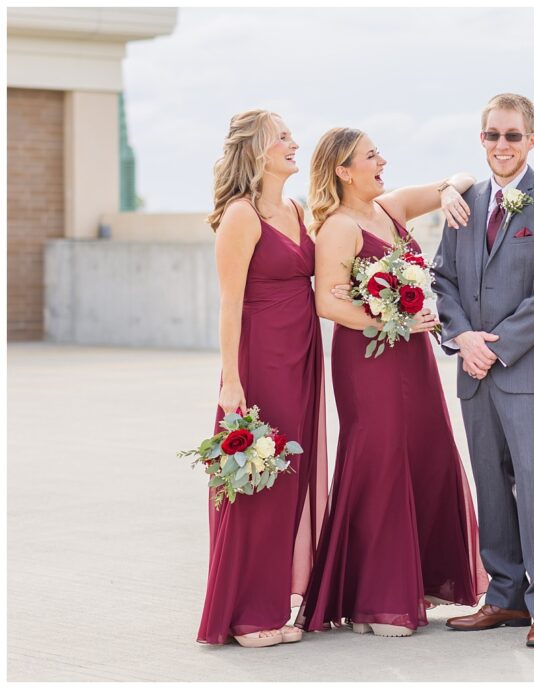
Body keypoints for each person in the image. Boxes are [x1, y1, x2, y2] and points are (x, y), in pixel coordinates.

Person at [296, 127, 487, 638]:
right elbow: (327, 303)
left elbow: (464, 178)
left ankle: (412, 582)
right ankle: (373, 600)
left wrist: (448, 189)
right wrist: (391, 321)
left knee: (423, 452)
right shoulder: (338, 226)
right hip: (368, 358)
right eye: (371, 155)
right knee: (379, 461)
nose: (383, 160)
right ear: (343, 170)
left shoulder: (391, 207)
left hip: (413, 356)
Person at [433, 93, 534, 648]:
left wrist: (497, 346)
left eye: (512, 136)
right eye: (492, 135)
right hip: (472, 371)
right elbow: (441, 278)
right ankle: (504, 598)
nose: (501, 145)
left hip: (526, 372)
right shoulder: (462, 201)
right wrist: (463, 337)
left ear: (531, 140)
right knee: (490, 486)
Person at [197, 110, 328, 648]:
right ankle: (248, 616)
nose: (295, 143)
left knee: (290, 479)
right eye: (283, 137)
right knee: (259, 480)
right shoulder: (241, 215)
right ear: (257, 151)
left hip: (302, 360)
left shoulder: (296, 209)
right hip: (260, 364)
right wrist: (232, 383)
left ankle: (272, 603)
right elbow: (229, 305)